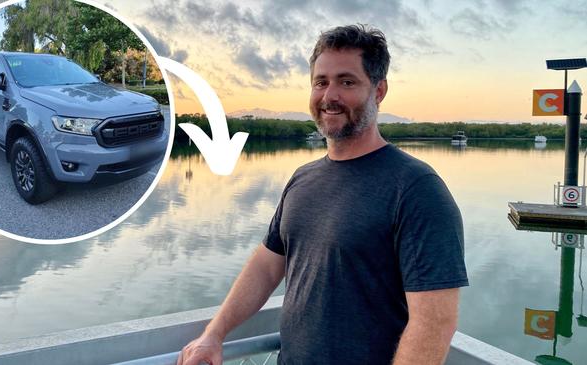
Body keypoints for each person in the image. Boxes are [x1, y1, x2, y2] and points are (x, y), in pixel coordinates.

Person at [178, 24, 468, 365]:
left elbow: (434, 322)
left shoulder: (416, 188)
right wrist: (214, 334)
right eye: (321, 82)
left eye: (347, 82)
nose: (330, 96)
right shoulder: (304, 178)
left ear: (378, 91)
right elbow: (267, 265)